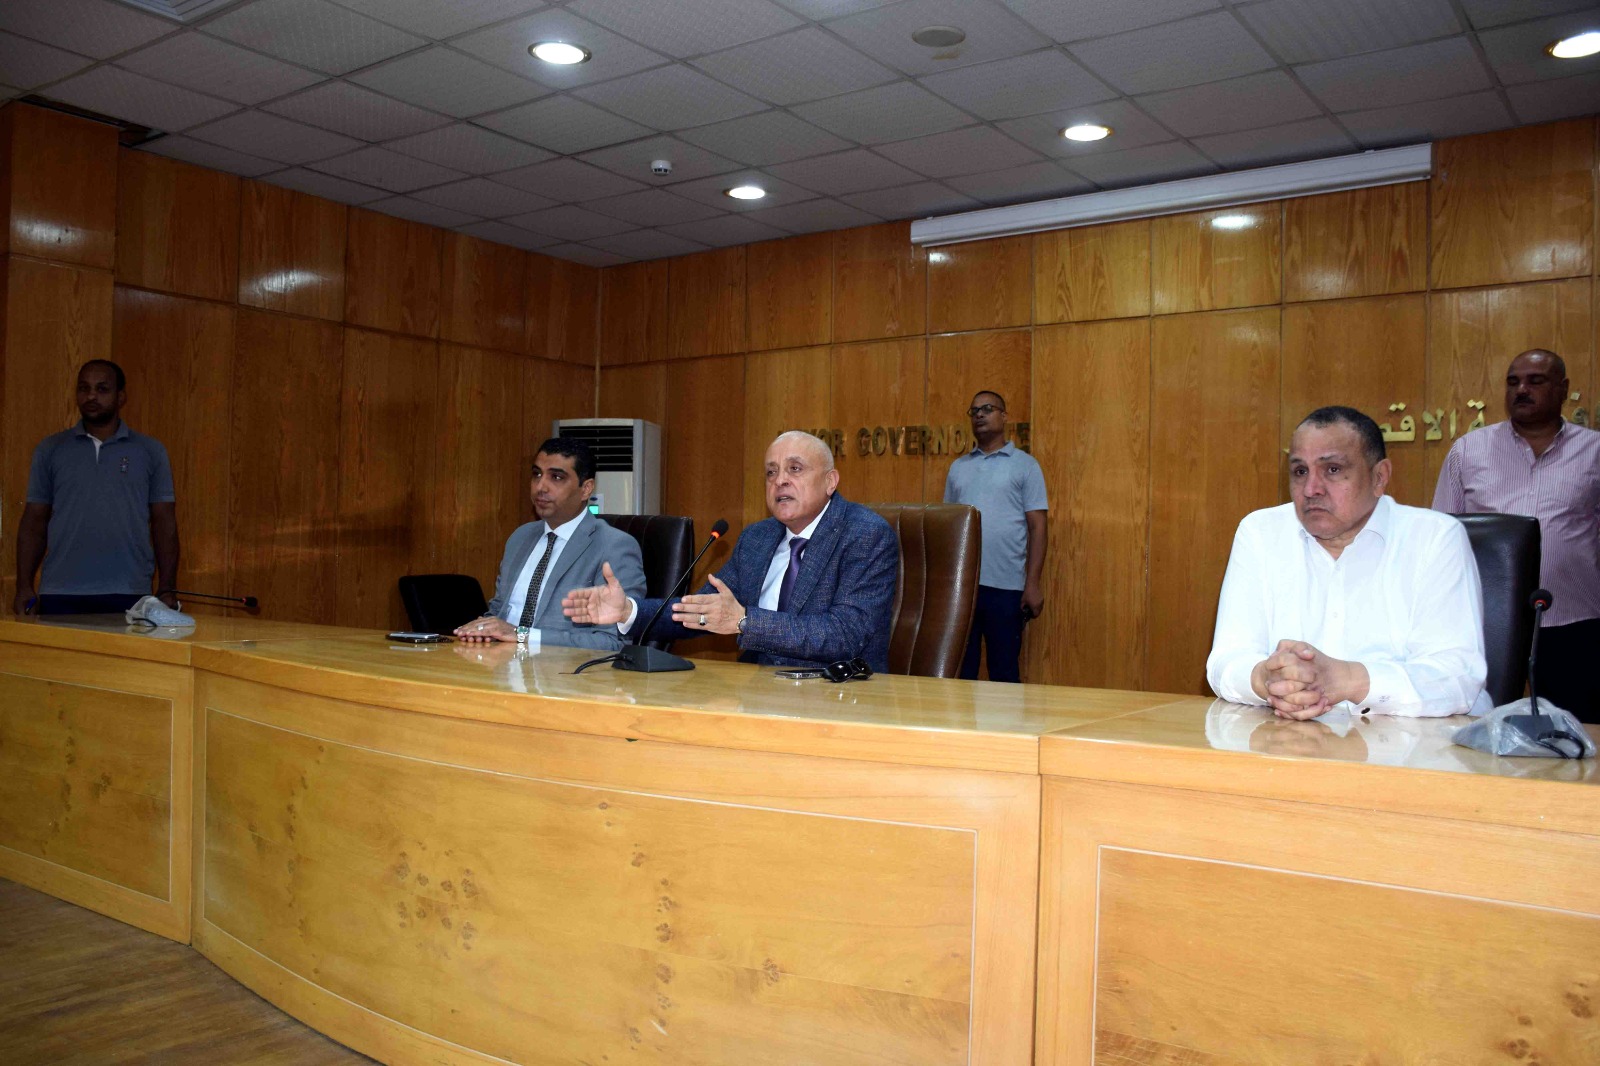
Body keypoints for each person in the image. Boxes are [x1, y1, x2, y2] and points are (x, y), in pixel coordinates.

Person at [1207, 406, 1488, 720]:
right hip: (1291, 738)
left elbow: (1457, 678)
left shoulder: (1435, 538)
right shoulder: (1260, 533)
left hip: (1412, 741)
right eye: (1300, 471)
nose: (1311, 489)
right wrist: (1265, 679)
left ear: (1379, 477)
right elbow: (1226, 660)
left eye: (1332, 470)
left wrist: (1346, 680)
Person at [562, 430, 898, 673]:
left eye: (795, 469)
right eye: (771, 472)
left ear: (830, 481)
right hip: (757, 694)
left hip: (837, 694)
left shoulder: (864, 534)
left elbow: (845, 634)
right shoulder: (758, 538)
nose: (780, 480)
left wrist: (745, 621)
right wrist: (628, 611)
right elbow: (702, 610)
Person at [1432, 348, 1600, 722]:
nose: (1521, 390)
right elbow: (1443, 536)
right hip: (1486, 624)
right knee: (1477, 732)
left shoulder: (1594, 451)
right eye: (1513, 382)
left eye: (1535, 381)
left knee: (1578, 734)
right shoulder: (1468, 451)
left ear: (1563, 389)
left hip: (1574, 624)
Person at [14, 360, 179, 615]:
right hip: (61, 592)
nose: (91, 396)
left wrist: (167, 587)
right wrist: (23, 586)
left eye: (102, 389)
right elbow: (34, 522)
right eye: (84, 388)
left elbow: (164, 523)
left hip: (130, 592)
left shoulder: (150, 451)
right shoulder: (50, 449)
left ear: (120, 396)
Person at [453, 437, 644, 652]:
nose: (540, 487)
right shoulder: (520, 537)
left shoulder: (614, 546)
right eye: (537, 474)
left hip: (560, 670)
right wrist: (480, 630)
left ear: (586, 489)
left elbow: (613, 642)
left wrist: (522, 635)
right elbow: (499, 612)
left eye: (556, 477)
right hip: (499, 662)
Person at [942, 390, 1048, 682]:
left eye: (987, 409)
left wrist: (1032, 584)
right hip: (963, 588)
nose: (979, 414)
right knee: (962, 674)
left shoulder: (1025, 465)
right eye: (974, 410)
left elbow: (1038, 527)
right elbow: (949, 527)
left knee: (1004, 675)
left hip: (1007, 587)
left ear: (1004, 416)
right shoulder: (958, 468)